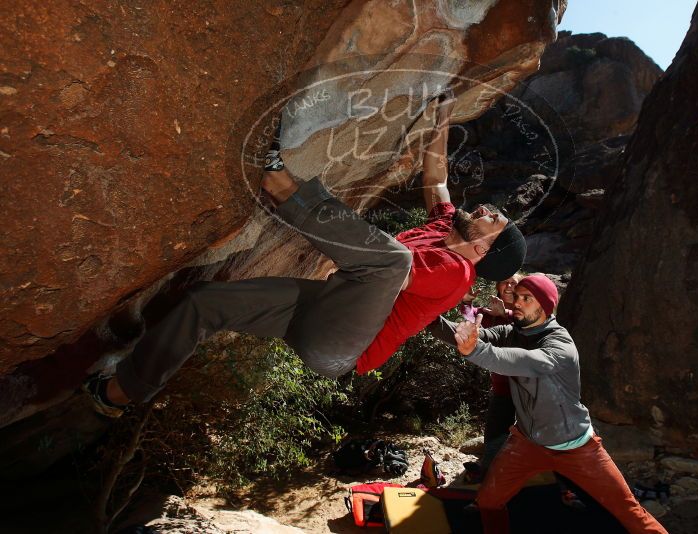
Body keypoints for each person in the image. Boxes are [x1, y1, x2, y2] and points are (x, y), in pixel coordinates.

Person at [83, 92, 527, 417]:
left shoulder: (456, 275)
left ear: (485, 248)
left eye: (495, 219)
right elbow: (437, 177)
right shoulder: (445, 225)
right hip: (323, 308)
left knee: (393, 262)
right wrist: (443, 116)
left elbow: (387, 270)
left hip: (342, 347)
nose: (488, 209)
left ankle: (280, 186)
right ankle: (120, 393)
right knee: (204, 302)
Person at [428, 274, 668, 534]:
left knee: (628, 511)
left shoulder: (560, 344)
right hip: (528, 443)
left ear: (545, 306)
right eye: (517, 297)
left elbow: (521, 361)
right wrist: (425, 312)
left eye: (526, 299)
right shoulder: (512, 332)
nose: (517, 302)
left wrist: (475, 350)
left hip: (577, 447)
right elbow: (469, 335)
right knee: (488, 501)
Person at [458, 274, 522, 476]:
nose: (509, 285)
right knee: (495, 428)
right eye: (505, 281)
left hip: (527, 386)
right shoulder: (486, 314)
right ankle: (490, 470)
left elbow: (526, 336)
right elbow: (468, 322)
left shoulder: (526, 311)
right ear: (498, 285)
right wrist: (467, 301)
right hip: (502, 385)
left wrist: (506, 316)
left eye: (514, 282)